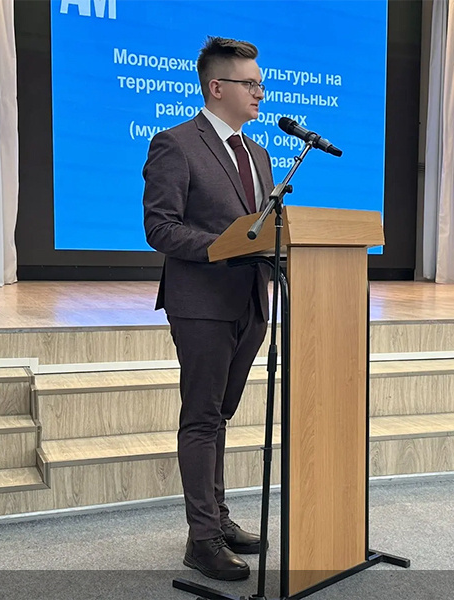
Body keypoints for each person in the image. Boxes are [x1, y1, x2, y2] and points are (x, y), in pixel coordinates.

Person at [142, 36, 273, 581]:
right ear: (216, 87)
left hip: (251, 300)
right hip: (200, 302)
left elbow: (263, 229)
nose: (260, 93)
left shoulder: (259, 154)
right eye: (250, 84)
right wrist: (222, 246)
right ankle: (202, 539)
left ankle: (218, 518)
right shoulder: (175, 144)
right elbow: (160, 227)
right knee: (201, 418)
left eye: (261, 83)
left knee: (221, 415)